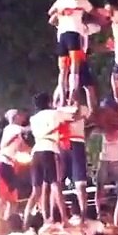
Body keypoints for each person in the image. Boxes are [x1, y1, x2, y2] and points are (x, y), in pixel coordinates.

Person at [28, 92, 78, 223]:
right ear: (49, 102)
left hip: (35, 152)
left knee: (36, 191)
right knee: (55, 185)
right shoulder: (54, 114)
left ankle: (26, 222)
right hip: (49, 151)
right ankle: (64, 219)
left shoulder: (33, 119)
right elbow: (73, 114)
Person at [48, 0, 94, 106]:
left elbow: (50, 16)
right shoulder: (81, 1)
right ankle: (73, 94)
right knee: (74, 66)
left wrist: (61, 12)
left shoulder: (61, 1)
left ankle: (62, 100)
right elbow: (94, 12)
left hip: (62, 36)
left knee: (63, 71)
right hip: (72, 34)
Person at [0, 109, 32, 220]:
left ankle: (8, 222)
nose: (23, 118)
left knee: (13, 201)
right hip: (4, 163)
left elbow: (23, 147)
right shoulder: (11, 128)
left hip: (12, 166)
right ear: (15, 117)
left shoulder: (17, 134)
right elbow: (28, 129)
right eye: (20, 116)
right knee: (2, 198)